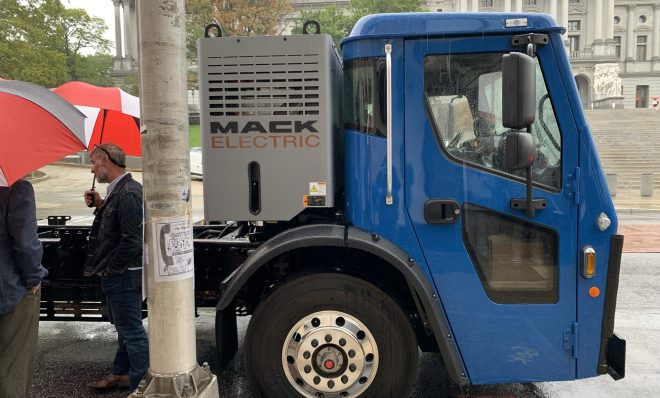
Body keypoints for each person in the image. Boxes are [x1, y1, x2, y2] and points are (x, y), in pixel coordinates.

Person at [83, 143, 148, 391]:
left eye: (93, 162)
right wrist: (100, 205)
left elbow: (131, 240)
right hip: (120, 274)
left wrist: (112, 269)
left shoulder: (129, 192)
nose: (92, 169)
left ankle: (141, 386)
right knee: (124, 329)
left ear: (106, 161)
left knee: (131, 332)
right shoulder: (119, 190)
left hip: (123, 275)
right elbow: (117, 226)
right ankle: (121, 374)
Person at [0, 178, 48, 398]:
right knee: (12, 367)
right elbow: (26, 242)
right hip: (10, 290)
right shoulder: (15, 186)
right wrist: (34, 278)